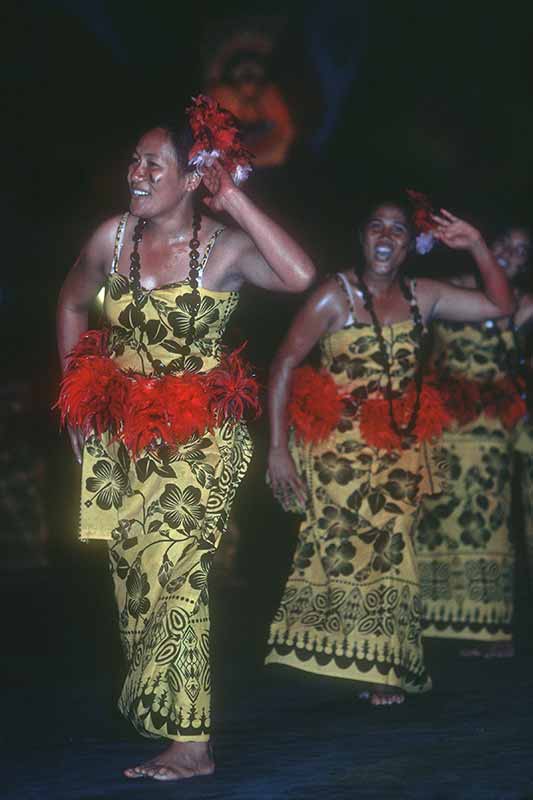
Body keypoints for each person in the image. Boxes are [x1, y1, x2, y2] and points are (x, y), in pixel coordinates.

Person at [56, 98, 315, 782]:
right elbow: (71, 302)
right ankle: (166, 713)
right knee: (137, 582)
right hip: (121, 439)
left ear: (192, 176)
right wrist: (74, 395)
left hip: (202, 439)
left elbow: (299, 275)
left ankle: (192, 744)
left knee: (178, 574)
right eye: (134, 161)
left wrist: (235, 200)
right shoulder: (112, 238)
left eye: (154, 165)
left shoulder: (223, 249)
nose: (136, 174)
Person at [265, 200, 514, 706]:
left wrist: (475, 245)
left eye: (398, 230)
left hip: (400, 451)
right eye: (376, 226)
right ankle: (353, 657)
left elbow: (499, 305)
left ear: (410, 245)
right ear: (362, 236)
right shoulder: (334, 295)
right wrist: (276, 450)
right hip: (336, 454)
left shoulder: (424, 295)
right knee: (343, 557)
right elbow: (283, 365)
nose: (385, 236)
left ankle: (383, 668)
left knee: (395, 551)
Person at [416, 224, 533, 658]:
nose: (510, 253)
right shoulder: (446, 289)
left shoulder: (523, 303)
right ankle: (426, 620)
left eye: (521, 251)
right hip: (442, 423)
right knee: (434, 517)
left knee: (489, 522)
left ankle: (489, 628)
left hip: (491, 431)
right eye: (504, 242)